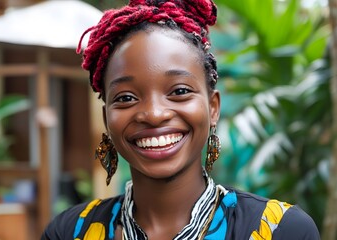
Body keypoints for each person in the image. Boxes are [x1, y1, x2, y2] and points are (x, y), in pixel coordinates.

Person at [41, 0, 320, 239]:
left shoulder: (279, 230)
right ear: (106, 117)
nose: (153, 113)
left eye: (179, 91)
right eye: (126, 97)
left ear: (213, 107)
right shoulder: (71, 231)